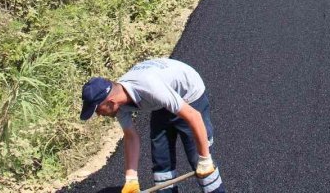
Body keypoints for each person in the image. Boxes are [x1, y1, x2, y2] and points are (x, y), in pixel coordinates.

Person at [80, 58, 225, 193]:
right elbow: (130, 136)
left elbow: (194, 116)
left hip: (188, 95)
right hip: (162, 101)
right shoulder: (119, 104)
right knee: (162, 162)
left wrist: (205, 158)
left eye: (98, 110)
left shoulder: (150, 88)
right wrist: (131, 178)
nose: (99, 114)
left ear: (111, 102)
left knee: (198, 159)